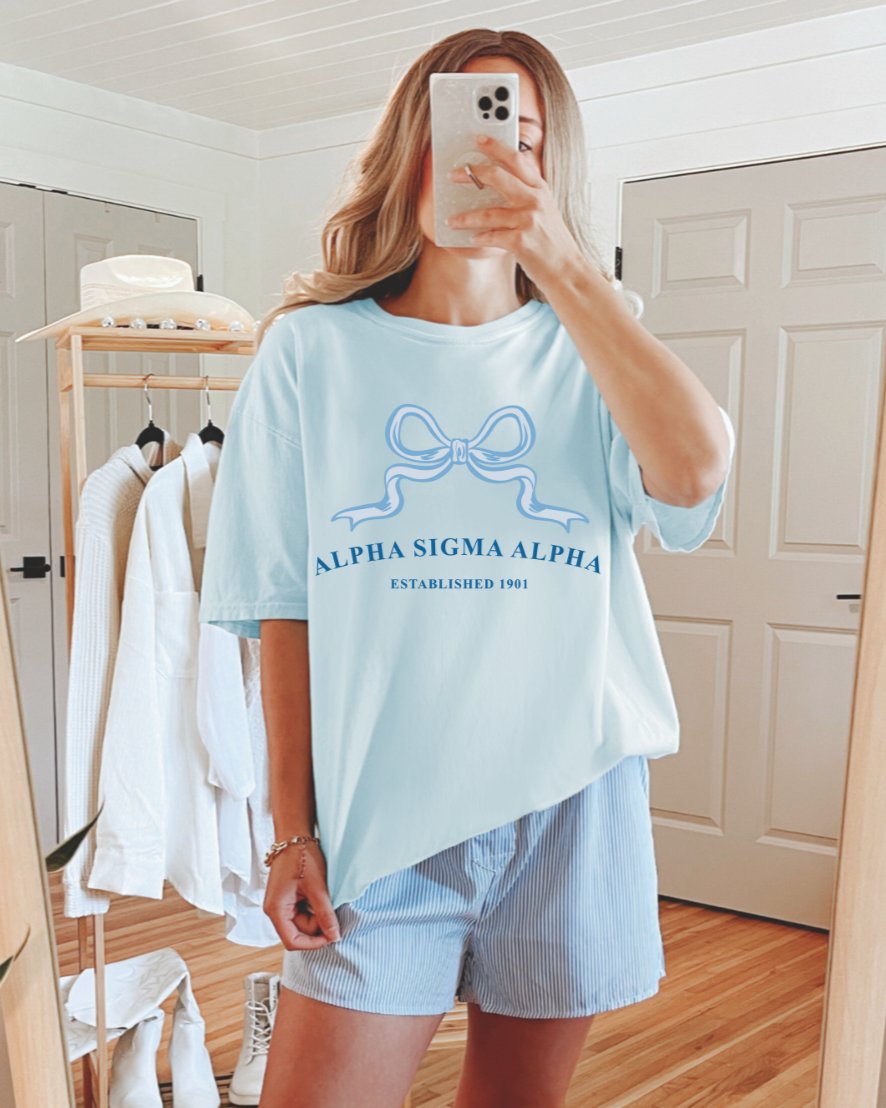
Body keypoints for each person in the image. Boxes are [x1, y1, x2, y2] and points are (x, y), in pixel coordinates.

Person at [199, 27, 735, 1108]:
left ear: (551, 167)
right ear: (413, 149)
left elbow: (693, 474)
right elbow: (284, 609)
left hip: (570, 806)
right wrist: (290, 826)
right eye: (467, 130)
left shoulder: (594, 342)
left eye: (521, 140)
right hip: (378, 820)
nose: (490, 160)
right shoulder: (309, 351)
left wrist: (566, 266)